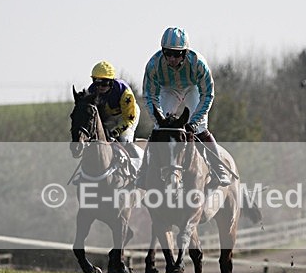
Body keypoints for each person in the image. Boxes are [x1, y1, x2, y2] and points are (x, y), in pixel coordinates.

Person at [140, 27, 231, 186]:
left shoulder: (198, 63)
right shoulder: (153, 65)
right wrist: (159, 118)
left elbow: (207, 94)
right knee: (159, 128)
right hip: (168, 90)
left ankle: (219, 168)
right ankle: (144, 170)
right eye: (167, 53)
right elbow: (150, 96)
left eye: (177, 54)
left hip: (192, 89)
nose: (172, 58)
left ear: (185, 53)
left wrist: (194, 121)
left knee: (200, 128)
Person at [87, 60, 139, 144]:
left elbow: (128, 119)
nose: (100, 87)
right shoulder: (91, 91)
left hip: (127, 115)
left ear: (111, 82)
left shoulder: (124, 92)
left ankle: (134, 156)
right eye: (96, 83)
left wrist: (117, 131)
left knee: (124, 139)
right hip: (110, 117)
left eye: (104, 83)